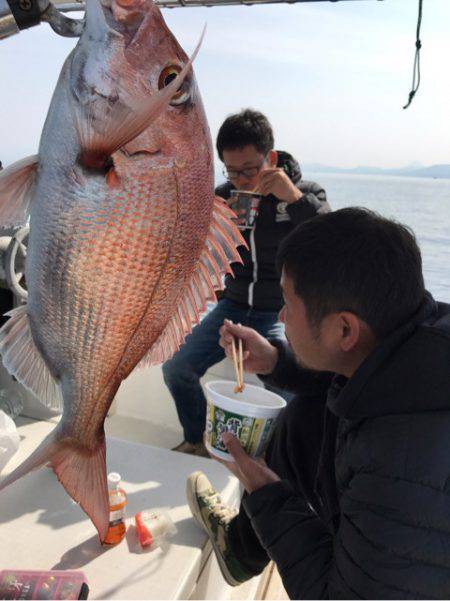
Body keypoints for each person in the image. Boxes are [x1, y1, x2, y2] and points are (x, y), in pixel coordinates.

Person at [186, 207, 450, 599]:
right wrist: (276, 361)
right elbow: (362, 371)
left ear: (344, 327)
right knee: (307, 414)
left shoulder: (399, 470)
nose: (280, 316)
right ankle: (240, 553)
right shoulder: (422, 337)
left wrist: (265, 494)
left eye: (289, 306)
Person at [163, 109, 330, 456]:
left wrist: (294, 201)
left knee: (289, 388)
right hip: (232, 306)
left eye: (249, 170)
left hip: (279, 313)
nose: (240, 180)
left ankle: (280, 461)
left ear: (270, 158)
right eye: (232, 170)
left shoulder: (305, 194)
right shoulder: (224, 196)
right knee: (177, 368)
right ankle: (198, 440)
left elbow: (331, 242)